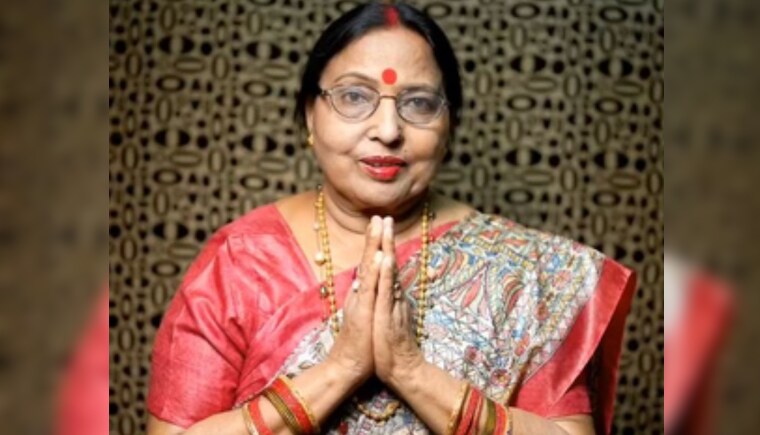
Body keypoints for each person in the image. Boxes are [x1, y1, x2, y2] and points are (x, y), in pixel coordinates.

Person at [146, 3, 636, 434]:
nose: (387, 129)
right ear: (310, 115)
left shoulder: (528, 270)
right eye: (354, 97)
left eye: (418, 103)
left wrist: (409, 370)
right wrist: (340, 368)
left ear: (449, 126)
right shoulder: (240, 262)